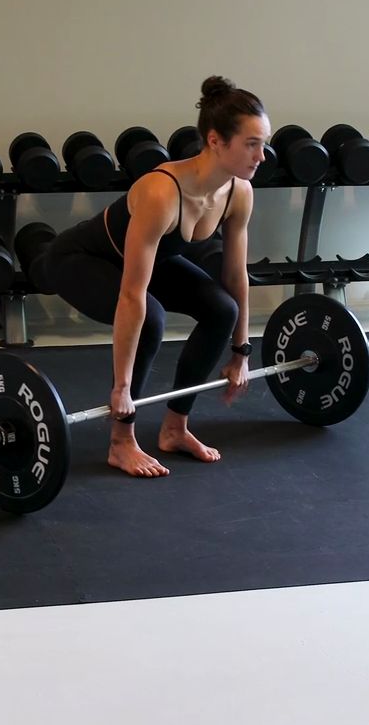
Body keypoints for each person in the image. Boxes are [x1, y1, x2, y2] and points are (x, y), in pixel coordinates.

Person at [30, 75, 271, 478]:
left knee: (221, 309)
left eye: (264, 143)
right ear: (215, 140)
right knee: (151, 318)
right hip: (81, 259)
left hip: (145, 262)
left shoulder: (238, 192)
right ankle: (121, 443)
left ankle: (175, 428)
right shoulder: (162, 192)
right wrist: (121, 389)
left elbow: (234, 274)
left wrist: (241, 352)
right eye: (252, 144)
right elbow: (131, 295)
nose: (261, 156)